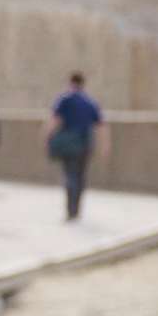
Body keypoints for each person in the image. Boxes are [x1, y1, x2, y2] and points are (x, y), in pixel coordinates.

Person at [45, 71, 103, 221]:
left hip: (70, 144)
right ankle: (76, 209)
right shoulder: (90, 101)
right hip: (86, 143)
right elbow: (101, 125)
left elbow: (54, 120)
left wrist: (47, 137)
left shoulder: (65, 99)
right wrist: (105, 146)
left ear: (71, 82)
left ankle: (70, 210)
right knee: (81, 177)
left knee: (70, 175)